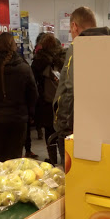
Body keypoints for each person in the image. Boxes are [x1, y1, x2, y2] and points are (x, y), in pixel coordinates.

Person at [53, 6, 110, 165]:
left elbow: (71, 90)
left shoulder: (78, 47)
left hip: (73, 128)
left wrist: (62, 126)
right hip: (102, 125)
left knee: (72, 176)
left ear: (74, 26)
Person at [0, 32, 38, 162]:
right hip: (19, 118)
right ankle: (14, 181)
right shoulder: (24, 68)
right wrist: (30, 113)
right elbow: (33, 94)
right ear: (14, 46)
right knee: (16, 156)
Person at [32, 34, 66, 164]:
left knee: (49, 130)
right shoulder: (64, 59)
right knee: (62, 131)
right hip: (61, 100)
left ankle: (52, 159)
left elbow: (33, 81)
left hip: (46, 102)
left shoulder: (38, 62)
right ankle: (63, 158)